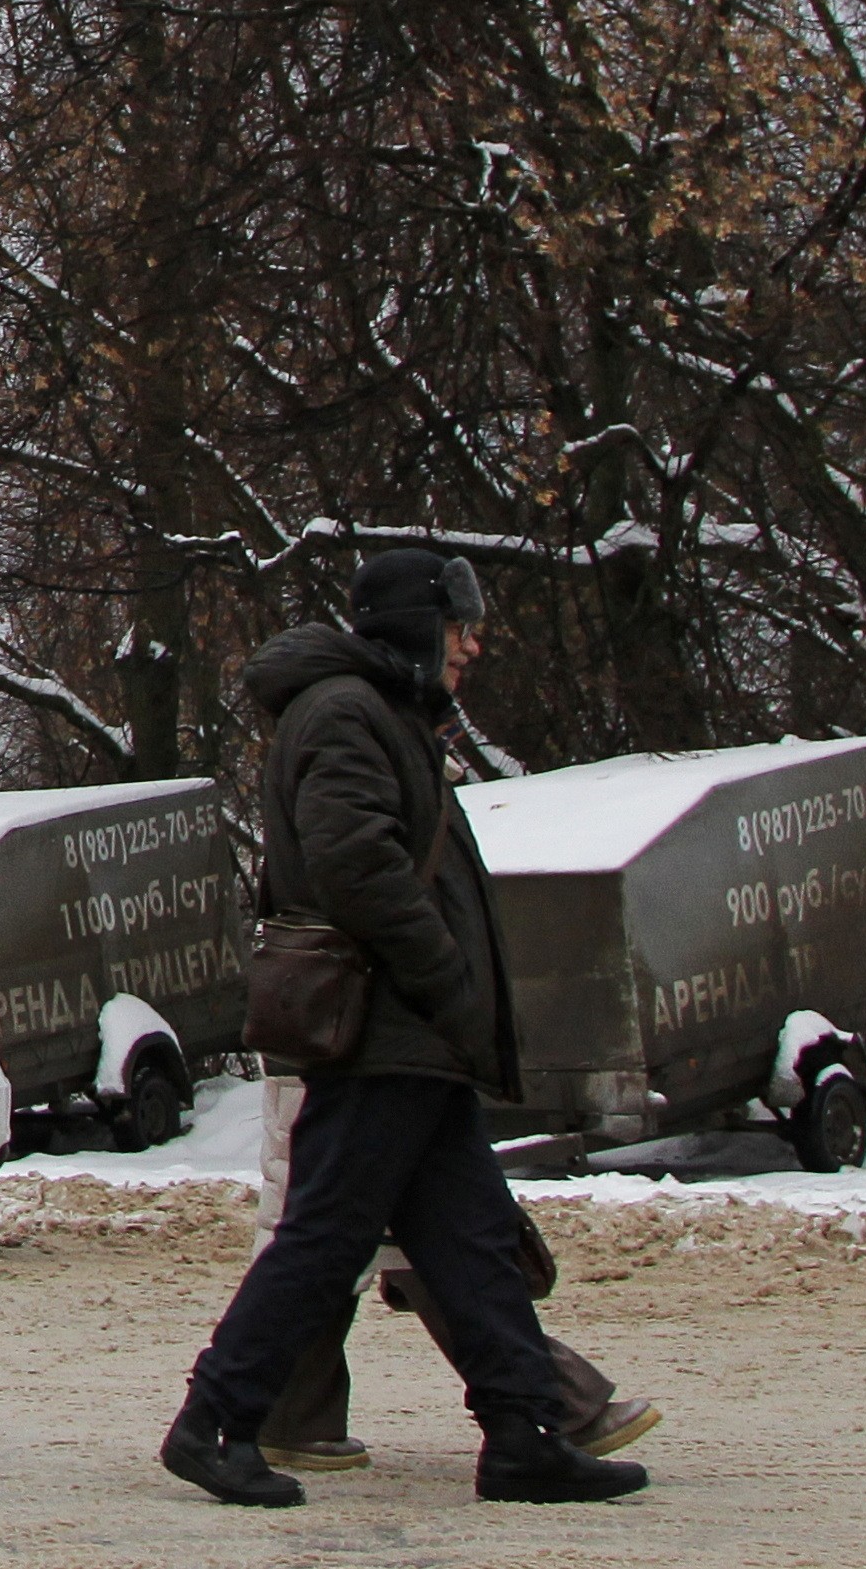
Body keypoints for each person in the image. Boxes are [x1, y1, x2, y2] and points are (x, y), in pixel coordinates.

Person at [160, 549, 649, 1508]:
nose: (473, 643)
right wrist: (445, 976)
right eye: (461, 623)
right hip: (384, 1028)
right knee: (325, 1235)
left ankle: (524, 1433)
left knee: (470, 1241)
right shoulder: (345, 712)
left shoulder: (380, 712)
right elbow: (356, 865)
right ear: (417, 624)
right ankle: (213, 1421)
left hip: (413, 1035)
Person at [247, 1070, 659, 1472]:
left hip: (359, 1063)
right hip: (364, 1066)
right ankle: (554, 1405)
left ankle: (286, 1414)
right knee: (427, 1240)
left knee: (355, 1238)